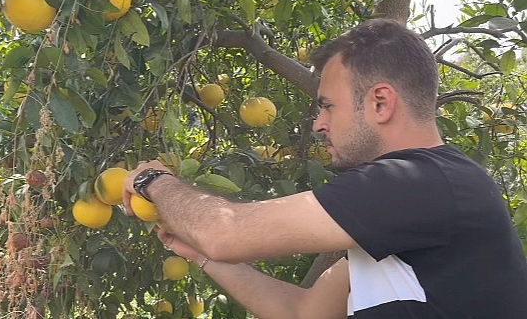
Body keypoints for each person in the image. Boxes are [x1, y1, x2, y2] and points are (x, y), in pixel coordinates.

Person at [122, 19, 527, 319]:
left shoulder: (422, 182)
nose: (318, 124)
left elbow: (224, 232)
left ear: (380, 103)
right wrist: (203, 256)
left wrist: (153, 180)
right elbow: (302, 311)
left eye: (327, 105)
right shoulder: (408, 212)